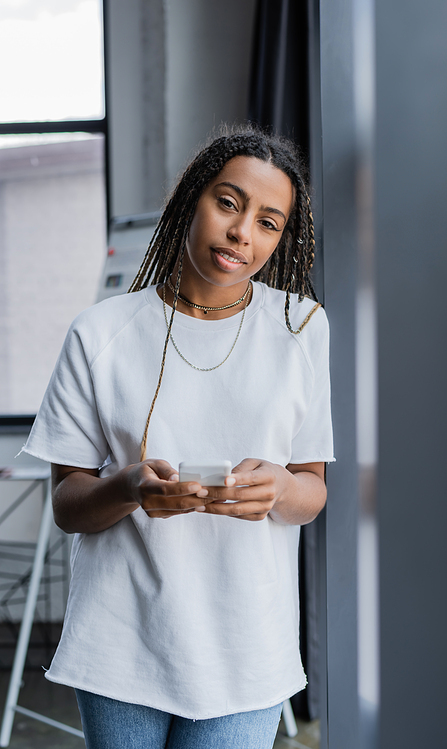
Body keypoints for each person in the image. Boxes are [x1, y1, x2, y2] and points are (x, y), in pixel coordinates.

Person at [23, 125, 334, 749]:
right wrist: (131, 487)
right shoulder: (100, 331)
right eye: (228, 202)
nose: (243, 232)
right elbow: (67, 506)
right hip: (120, 643)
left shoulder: (302, 326)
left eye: (269, 222)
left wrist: (277, 489)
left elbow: (312, 490)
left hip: (246, 645)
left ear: (281, 239)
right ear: (190, 199)